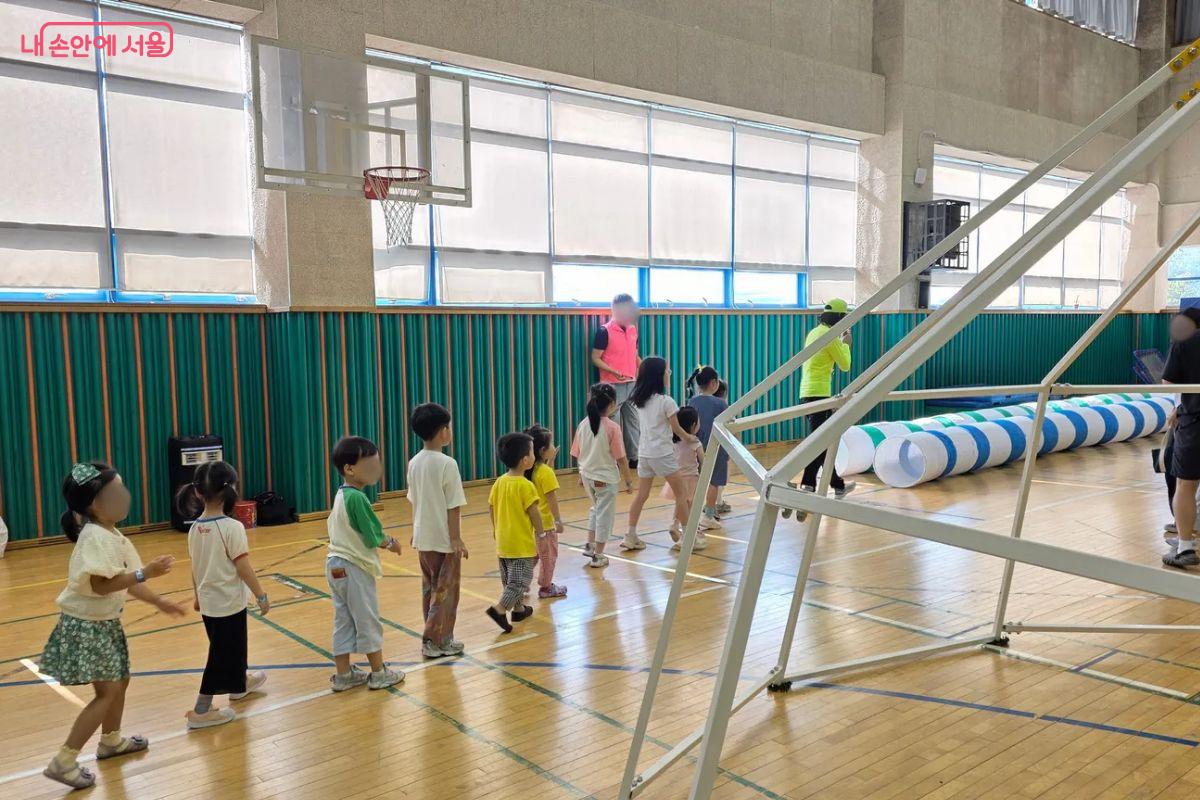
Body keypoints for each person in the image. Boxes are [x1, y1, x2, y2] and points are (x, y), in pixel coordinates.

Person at [40, 463, 185, 790]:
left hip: (103, 623)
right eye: (115, 493)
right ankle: (64, 761)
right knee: (106, 694)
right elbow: (102, 585)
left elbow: (125, 581)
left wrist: (159, 601)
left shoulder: (111, 534)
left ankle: (111, 740)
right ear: (94, 504)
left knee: (120, 681)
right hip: (89, 626)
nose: (125, 497)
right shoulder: (94, 537)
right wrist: (144, 573)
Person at [179, 460, 270, 729]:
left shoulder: (195, 527)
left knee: (232, 647)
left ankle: (238, 684)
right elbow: (243, 567)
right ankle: (201, 710)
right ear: (232, 489)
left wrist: (197, 595)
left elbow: (196, 568)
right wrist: (261, 595)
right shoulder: (232, 528)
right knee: (220, 655)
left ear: (197, 492)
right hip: (227, 604)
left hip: (210, 603)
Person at [326, 436, 405, 691]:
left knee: (344, 620)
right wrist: (392, 543)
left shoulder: (341, 495)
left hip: (335, 565)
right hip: (353, 567)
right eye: (369, 463)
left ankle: (343, 674)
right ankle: (379, 672)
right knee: (367, 619)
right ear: (349, 468)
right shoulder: (358, 499)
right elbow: (374, 536)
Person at [786, 299, 856, 521]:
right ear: (839, 318)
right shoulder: (830, 337)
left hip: (806, 392)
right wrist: (846, 343)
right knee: (819, 442)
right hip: (819, 393)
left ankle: (837, 484)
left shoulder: (814, 332)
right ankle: (808, 485)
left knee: (822, 441)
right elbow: (845, 365)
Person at [408, 403, 469, 659]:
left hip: (423, 537)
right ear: (443, 431)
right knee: (446, 593)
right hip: (443, 540)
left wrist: (415, 530)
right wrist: (455, 539)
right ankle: (435, 640)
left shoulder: (414, 462)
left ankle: (439, 638)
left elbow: (414, 499)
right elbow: (453, 506)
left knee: (430, 589)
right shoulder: (447, 464)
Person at [625, 357, 703, 551]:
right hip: (662, 454)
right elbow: (677, 430)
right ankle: (687, 538)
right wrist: (690, 438)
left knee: (641, 495)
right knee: (681, 494)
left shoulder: (639, 401)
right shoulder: (666, 402)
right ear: (658, 376)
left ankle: (630, 535)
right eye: (666, 371)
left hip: (645, 454)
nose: (669, 374)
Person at [572, 383, 634, 569]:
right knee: (605, 514)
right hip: (604, 478)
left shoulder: (583, 424)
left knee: (596, 509)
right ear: (612, 404)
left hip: (587, 475)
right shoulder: (612, 427)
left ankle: (590, 545)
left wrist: (580, 475)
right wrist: (629, 481)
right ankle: (599, 554)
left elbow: (577, 452)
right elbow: (621, 458)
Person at [486, 432, 543, 632]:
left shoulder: (500, 482)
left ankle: (518, 610)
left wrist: (495, 528)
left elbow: (491, 507)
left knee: (508, 579)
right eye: (532, 452)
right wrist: (541, 532)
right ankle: (500, 609)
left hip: (503, 542)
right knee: (519, 582)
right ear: (525, 460)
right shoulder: (525, 486)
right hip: (521, 544)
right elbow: (534, 512)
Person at [1163, 308, 1200, 568]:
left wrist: (1180, 406)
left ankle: (1185, 547)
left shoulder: (1184, 343)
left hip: (1194, 421)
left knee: (1185, 485)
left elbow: (1169, 383)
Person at [591, 293, 642, 465]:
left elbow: (635, 355)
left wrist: (644, 369)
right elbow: (595, 357)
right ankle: (612, 459)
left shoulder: (633, 329)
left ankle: (633, 457)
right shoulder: (604, 331)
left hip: (632, 381)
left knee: (633, 420)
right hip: (612, 385)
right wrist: (613, 371)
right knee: (612, 423)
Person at [525, 424, 566, 598]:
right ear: (542, 450)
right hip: (546, 524)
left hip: (532, 524)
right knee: (548, 557)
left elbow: (545, 476)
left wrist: (551, 461)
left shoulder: (530, 469)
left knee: (534, 555)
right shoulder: (545, 473)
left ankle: (522, 583)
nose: (553, 446)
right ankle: (546, 587)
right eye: (551, 445)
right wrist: (558, 521)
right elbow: (551, 498)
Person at [665, 406, 715, 548]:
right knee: (690, 507)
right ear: (693, 425)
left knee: (679, 503)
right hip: (691, 478)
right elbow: (703, 460)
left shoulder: (674, 440)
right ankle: (688, 536)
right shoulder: (694, 442)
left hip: (675, 476)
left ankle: (674, 525)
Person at [689, 366, 730, 527]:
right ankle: (709, 515)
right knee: (714, 482)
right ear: (714, 383)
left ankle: (693, 514)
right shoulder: (721, 403)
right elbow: (727, 426)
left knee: (697, 481)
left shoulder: (692, 401)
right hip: (716, 447)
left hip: (695, 446)